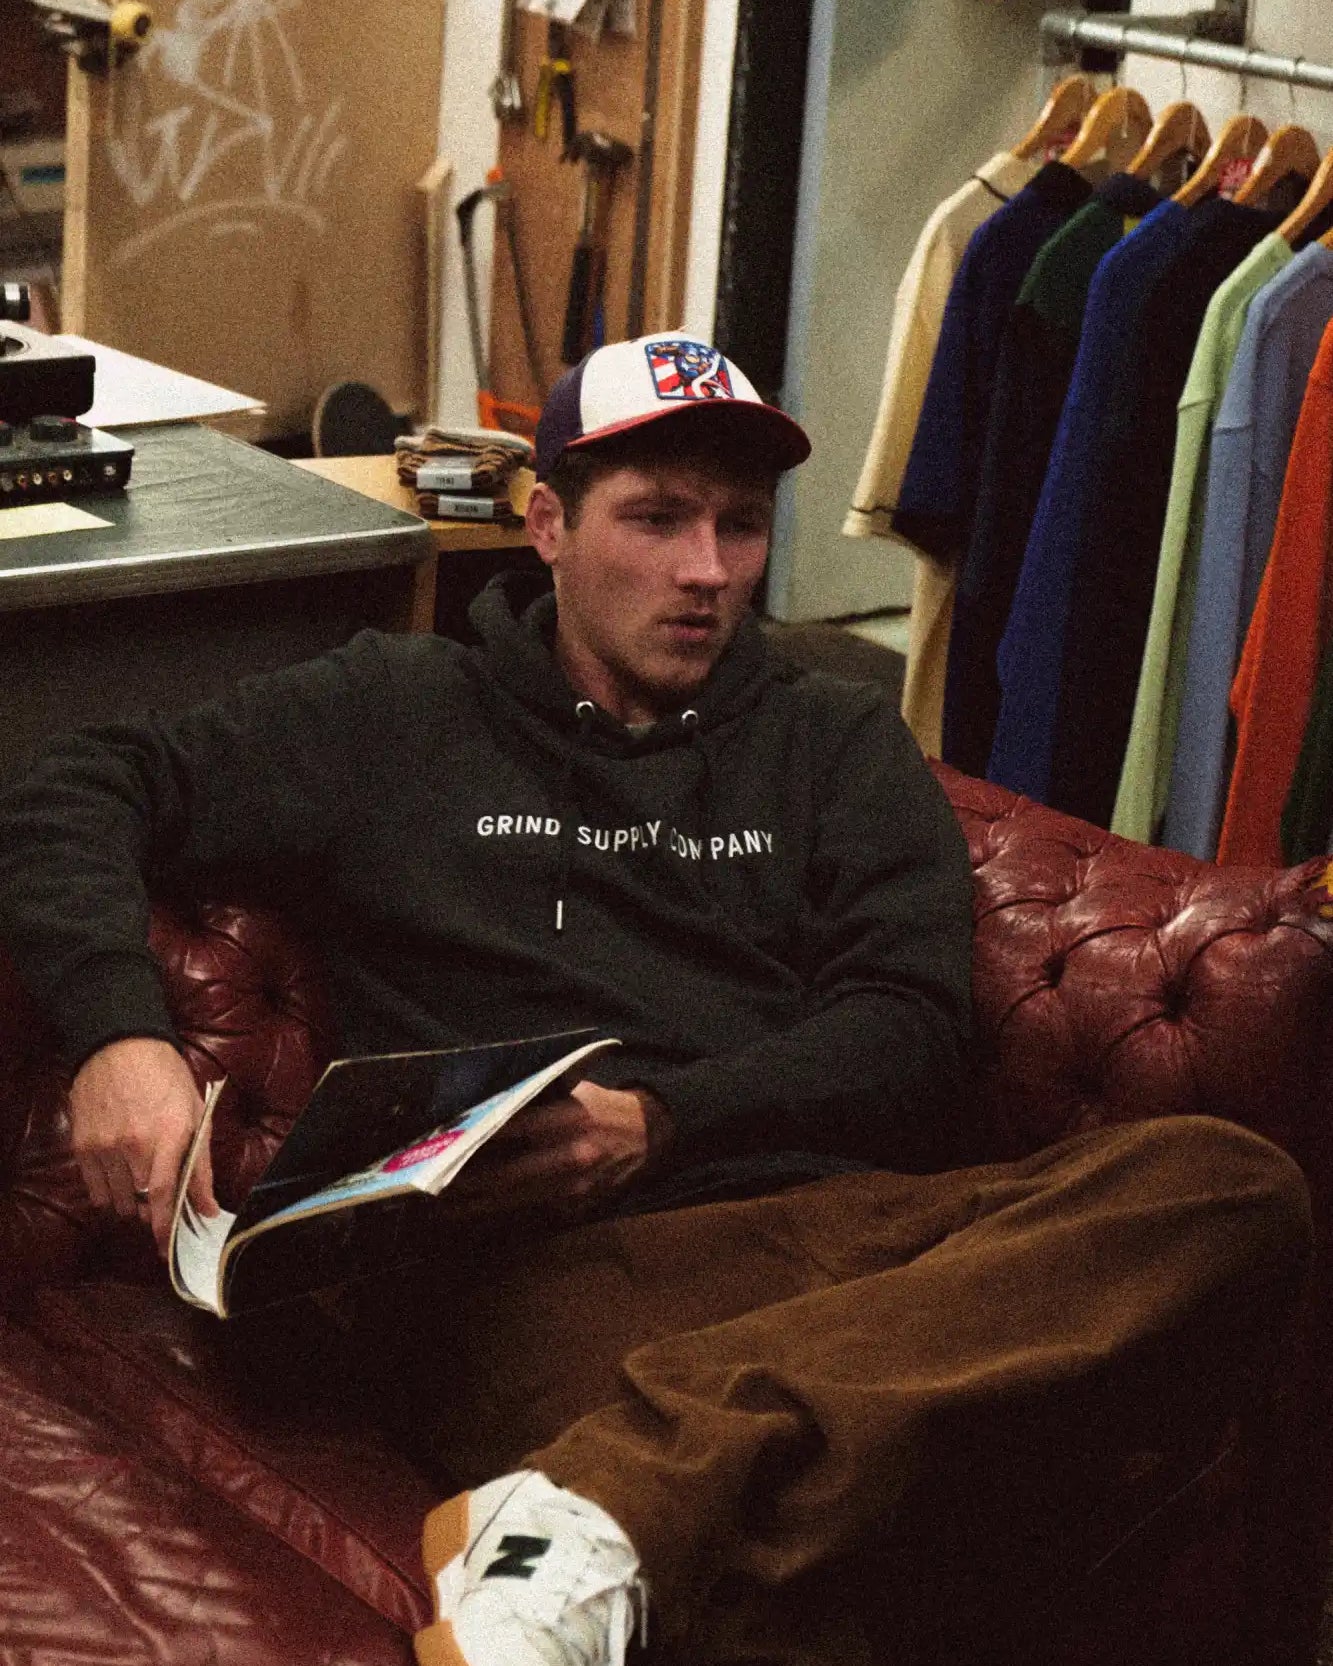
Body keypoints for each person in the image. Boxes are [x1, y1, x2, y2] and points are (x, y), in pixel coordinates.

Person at [0, 335, 1312, 1666]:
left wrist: (665, 1119)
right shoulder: (396, 707)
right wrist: (122, 1036)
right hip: (539, 1276)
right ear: (549, 527)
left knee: (1226, 1185)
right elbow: (76, 783)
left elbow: (910, 1025)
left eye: (740, 525)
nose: (708, 570)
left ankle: (606, 1514)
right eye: (658, 519)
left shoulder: (832, 737)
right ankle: (667, 1504)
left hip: (848, 1237)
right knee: (866, 1542)